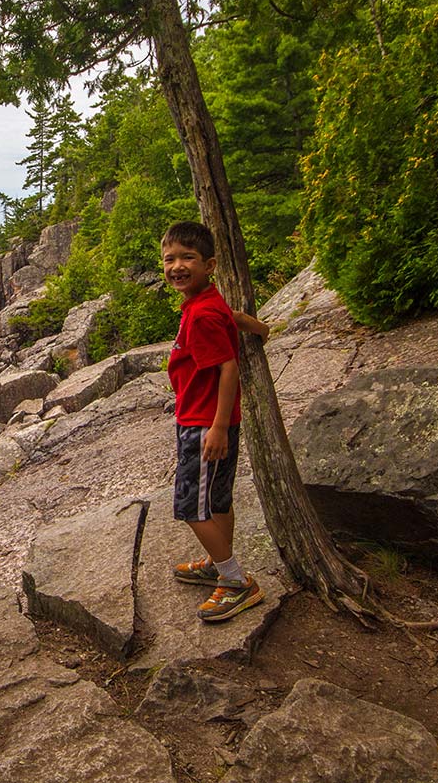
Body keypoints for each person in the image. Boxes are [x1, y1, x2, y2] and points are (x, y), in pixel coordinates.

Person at [161, 220, 266, 623]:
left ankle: (235, 581)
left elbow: (227, 367)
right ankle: (216, 561)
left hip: (204, 423)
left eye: (187, 258)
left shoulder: (201, 315)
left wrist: (218, 426)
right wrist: (258, 327)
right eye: (170, 259)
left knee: (191, 508)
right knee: (217, 498)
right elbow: (231, 315)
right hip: (209, 420)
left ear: (210, 265)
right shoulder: (207, 302)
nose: (177, 266)